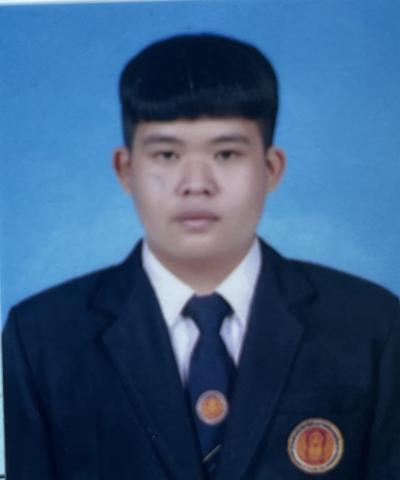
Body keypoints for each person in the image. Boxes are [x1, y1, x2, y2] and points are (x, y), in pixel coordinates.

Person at [2, 33, 399, 480]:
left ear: (271, 168)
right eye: (167, 154)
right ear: (125, 169)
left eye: (226, 154)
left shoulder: (370, 326)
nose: (196, 184)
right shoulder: (43, 338)